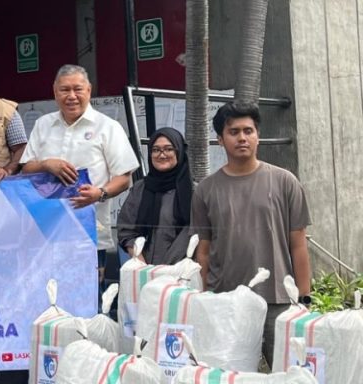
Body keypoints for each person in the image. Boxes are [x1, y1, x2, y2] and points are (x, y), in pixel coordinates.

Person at [192, 101, 311, 367]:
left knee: (289, 372)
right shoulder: (206, 190)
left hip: (278, 301)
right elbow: (203, 252)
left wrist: (304, 299)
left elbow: (299, 245)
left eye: (248, 130)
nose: (242, 138)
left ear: (258, 136)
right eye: (233, 132)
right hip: (226, 302)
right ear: (220, 140)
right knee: (228, 374)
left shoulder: (284, 181)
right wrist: (203, 300)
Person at [20, 64, 139, 312]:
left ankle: (86, 349)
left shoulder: (107, 127)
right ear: (54, 92)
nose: (71, 96)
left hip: (88, 234)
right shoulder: (43, 125)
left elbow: (124, 177)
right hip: (46, 233)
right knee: (46, 299)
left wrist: (100, 193)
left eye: (77, 89)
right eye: (64, 89)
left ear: (89, 90)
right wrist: (46, 164)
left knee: (87, 301)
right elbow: (25, 170)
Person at [117, 127, 193, 264]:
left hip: (183, 273)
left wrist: (168, 268)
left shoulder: (195, 192)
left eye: (169, 149)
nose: (162, 155)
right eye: (156, 150)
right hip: (144, 271)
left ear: (179, 152)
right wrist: (142, 265)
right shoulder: (140, 189)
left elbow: (196, 233)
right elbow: (126, 230)